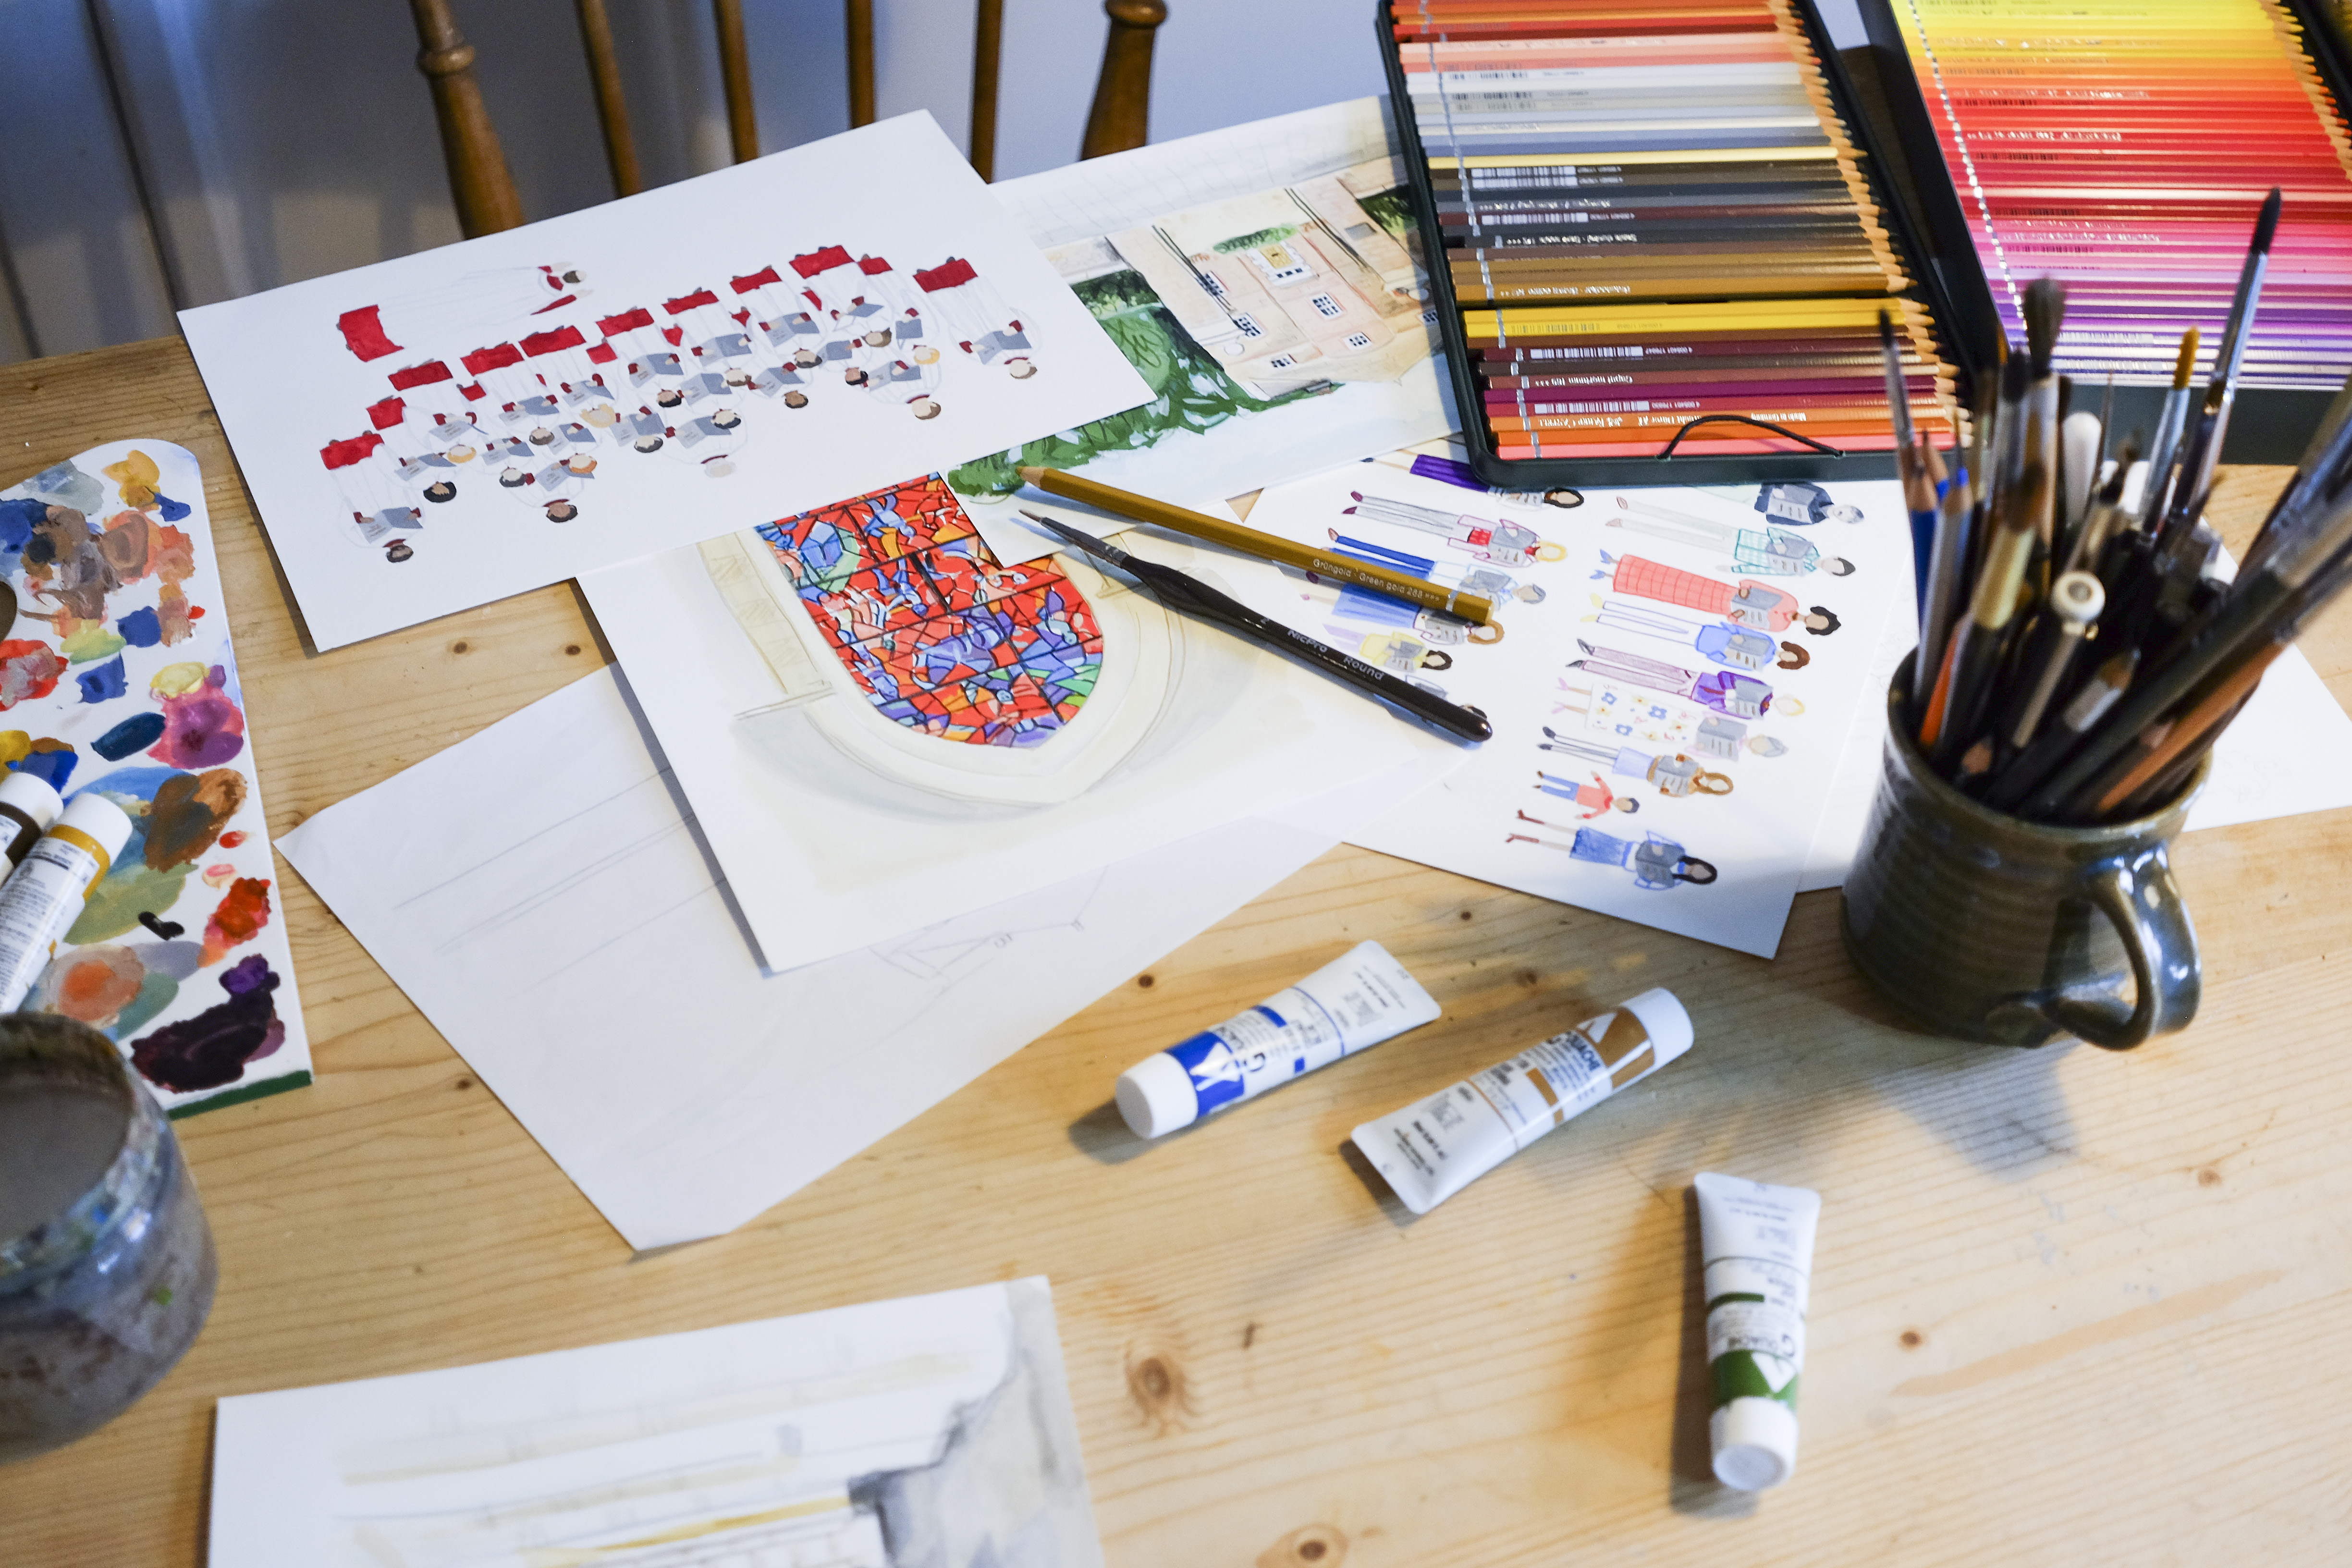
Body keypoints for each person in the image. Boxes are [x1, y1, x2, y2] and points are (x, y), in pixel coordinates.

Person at [1606, 497, 1853, 576]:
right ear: (1835, 558)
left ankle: (1625, 524)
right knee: (1689, 522)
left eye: (1835, 571)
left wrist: (1735, 570)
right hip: (1743, 537)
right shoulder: (1810, 547)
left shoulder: (1804, 571)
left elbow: (1767, 571)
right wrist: (1778, 544)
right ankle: (1636, 508)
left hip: (1738, 554)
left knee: (1681, 538)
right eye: (1837, 564)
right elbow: (1777, 531)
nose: (1832, 567)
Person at [1342, 491, 1560, 568]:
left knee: (1416, 524)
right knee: (1421, 513)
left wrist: (1484, 555)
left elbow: (1493, 560)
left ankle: (1361, 512)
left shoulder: (1523, 562)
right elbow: (1507, 522)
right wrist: (1513, 535)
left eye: (1549, 556)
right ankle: (1368, 500)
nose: (1545, 552)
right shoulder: (1532, 537)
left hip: (1472, 541)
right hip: (1475, 526)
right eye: (1550, 549)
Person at [1530, 774, 1636, 819]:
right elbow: (1602, 784)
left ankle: (1543, 788)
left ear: (1622, 810)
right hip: (1579, 788)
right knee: (1562, 782)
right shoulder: (1609, 793)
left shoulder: (1606, 809)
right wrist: (1597, 776)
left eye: (1624, 806)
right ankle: (1545, 777)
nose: (1622, 803)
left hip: (1576, 797)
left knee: (1558, 793)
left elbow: (1594, 815)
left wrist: (1583, 816)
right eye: (1625, 802)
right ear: (1624, 798)